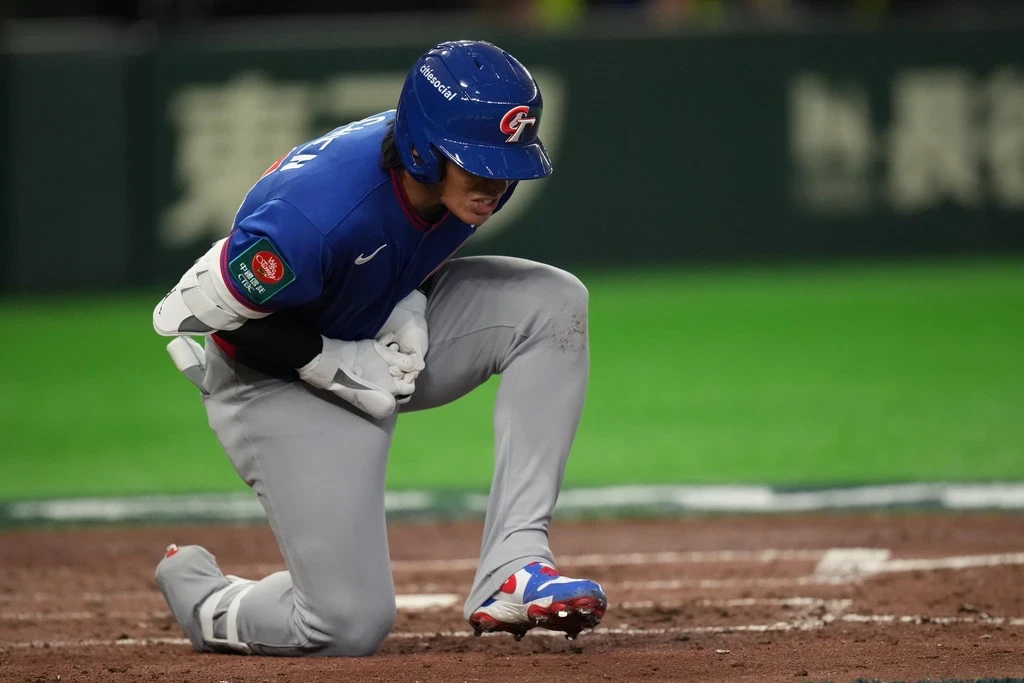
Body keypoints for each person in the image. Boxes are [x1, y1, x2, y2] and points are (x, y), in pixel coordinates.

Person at [151, 39, 607, 657]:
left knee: (552, 304)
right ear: (422, 149)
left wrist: (408, 301)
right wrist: (326, 360)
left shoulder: (458, 176)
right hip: (274, 378)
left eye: (507, 163)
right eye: (479, 165)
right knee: (346, 626)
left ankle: (515, 565)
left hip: (375, 336)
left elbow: (407, 244)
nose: (497, 182)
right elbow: (195, 315)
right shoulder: (312, 218)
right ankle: (207, 600)